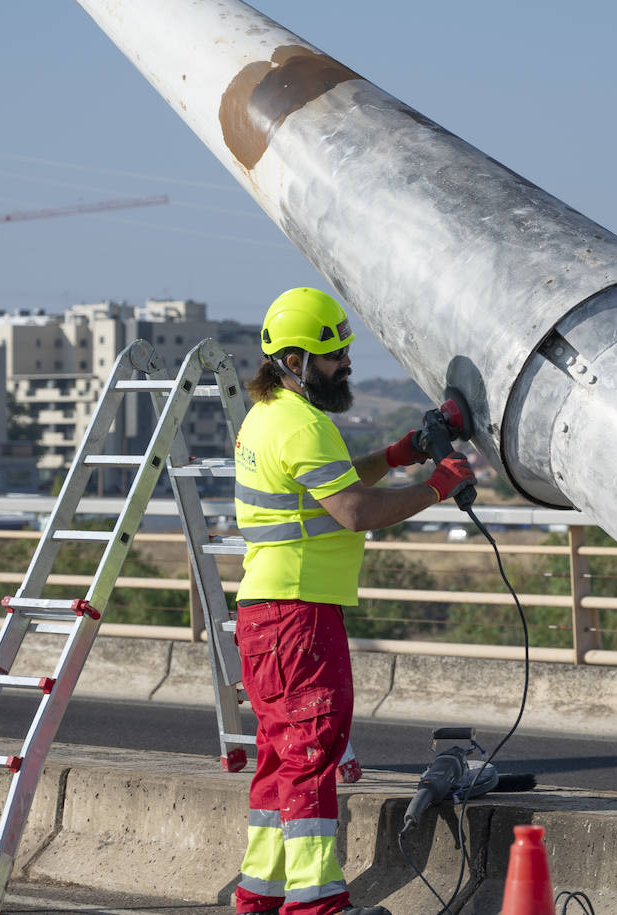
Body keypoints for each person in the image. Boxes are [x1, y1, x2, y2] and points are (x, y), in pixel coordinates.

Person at [231, 287, 474, 915]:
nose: (345, 364)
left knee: (280, 755)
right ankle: (317, 906)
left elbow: (328, 482)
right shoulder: (303, 424)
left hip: (266, 611)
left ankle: (259, 894)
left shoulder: (267, 416)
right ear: (294, 359)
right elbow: (353, 511)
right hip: (298, 615)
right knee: (313, 749)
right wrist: (437, 488)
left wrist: (398, 455)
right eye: (333, 354)